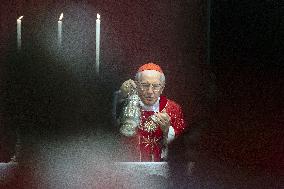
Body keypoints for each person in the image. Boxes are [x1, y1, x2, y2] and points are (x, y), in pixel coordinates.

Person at [118, 62, 187, 162]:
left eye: (155, 86)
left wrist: (167, 131)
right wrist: (121, 96)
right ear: (136, 85)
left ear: (162, 88)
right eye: (145, 85)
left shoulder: (173, 109)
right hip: (130, 169)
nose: (150, 91)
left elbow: (182, 146)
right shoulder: (127, 105)